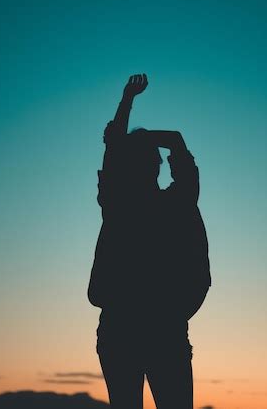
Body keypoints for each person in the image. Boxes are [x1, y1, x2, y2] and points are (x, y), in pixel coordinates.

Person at [87, 74, 211, 409]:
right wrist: (134, 136)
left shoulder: (120, 204)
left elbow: (115, 150)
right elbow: (176, 140)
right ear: (158, 165)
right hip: (153, 330)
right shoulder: (175, 202)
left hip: (137, 330)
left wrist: (128, 112)